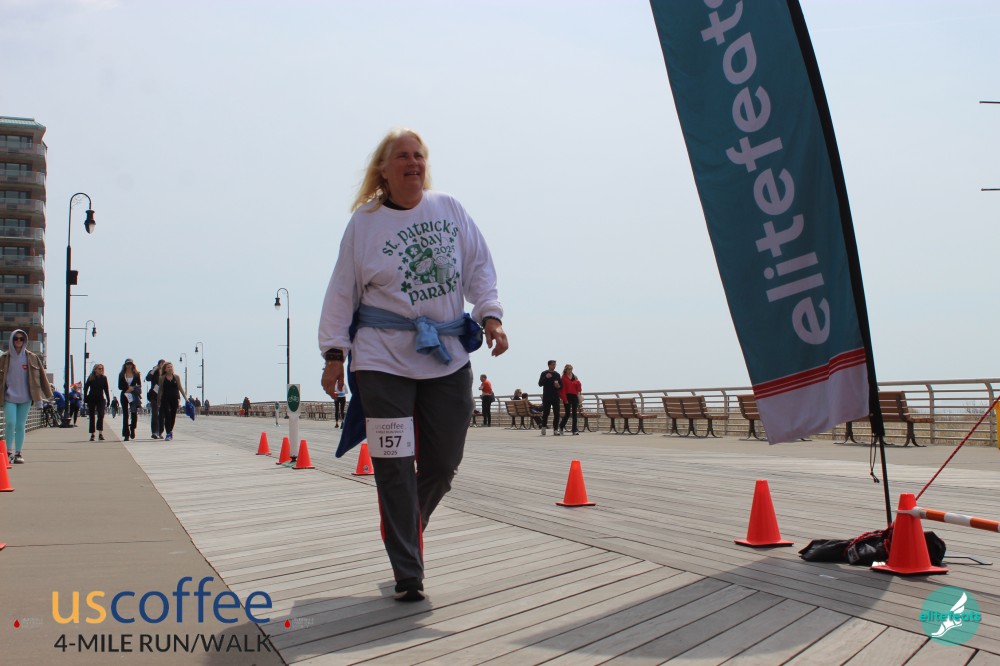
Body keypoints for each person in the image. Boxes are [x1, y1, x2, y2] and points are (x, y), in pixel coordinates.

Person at [319, 127, 508, 602]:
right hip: (381, 361)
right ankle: (408, 570)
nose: (413, 162)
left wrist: (491, 316)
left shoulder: (449, 209)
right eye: (402, 156)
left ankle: (406, 524)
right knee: (395, 467)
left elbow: (479, 268)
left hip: (446, 356)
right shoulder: (364, 224)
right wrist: (334, 354)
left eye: (419, 155)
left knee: (443, 464)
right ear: (383, 169)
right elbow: (342, 290)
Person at [1, 329, 54, 464]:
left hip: (26, 397)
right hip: (9, 396)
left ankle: (18, 453)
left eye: (21, 339)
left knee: (20, 425)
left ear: (25, 341)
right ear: (12, 340)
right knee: (10, 423)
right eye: (16, 338)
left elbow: (41, 377)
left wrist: (45, 396)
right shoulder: (5, 357)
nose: (18, 341)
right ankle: (8, 452)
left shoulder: (31, 357)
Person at [157, 362, 188, 441]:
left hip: (174, 398)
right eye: (168, 367)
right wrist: (158, 401)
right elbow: (160, 390)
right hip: (165, 399)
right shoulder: (162, 378)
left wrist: (186, 399)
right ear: (165, 369)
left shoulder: (176, 377)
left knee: (173, 415)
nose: (170, 368)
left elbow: (180, 388)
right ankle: (168, 433)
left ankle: (170, 430)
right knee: (167, 415)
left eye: (171, 367)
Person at [84, 363, 111, 441]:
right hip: (91, 398)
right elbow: (85, 388)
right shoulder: (91, 377)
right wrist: (85, 397)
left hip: (100, 398)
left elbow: (106, 389)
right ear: (95, 369)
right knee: (92, 416)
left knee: (101, 415)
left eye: (102, 369)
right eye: (99, 369)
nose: (101, 370)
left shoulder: (104, 378)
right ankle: (92, 434)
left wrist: (108, 399)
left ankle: (100, 433)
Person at [118, 359, 142, 442]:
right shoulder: (122, 374)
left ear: (133, 365)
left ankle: (132, 428)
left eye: (130, 364)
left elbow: (139, 385)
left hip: (133, 395)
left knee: (134, 413)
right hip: (124, 394)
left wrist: (132, 388)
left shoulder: (136, 374)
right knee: (125, 414)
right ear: (125, 365)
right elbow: (119, 386)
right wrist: (127, 388)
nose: (129, 366)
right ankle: (126, 434)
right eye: (127, 364)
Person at [537, 360, 562, 436]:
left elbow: (561, 386)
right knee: (546, 413)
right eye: (553, 364)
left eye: (555, 364)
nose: (554, 366)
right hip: (547, 396)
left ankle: (555, 430)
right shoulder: (544, 373)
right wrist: (546, 377)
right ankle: (543, 427)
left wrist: (558, 386)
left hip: (555, 397)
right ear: (549, 365)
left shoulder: (557, 374)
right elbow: (540, 384)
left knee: (556, 413)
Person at [558, 363, 583, 435]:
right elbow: (562, 390)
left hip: (574, 396)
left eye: (571, 369)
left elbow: (579, 389)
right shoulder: (563, 378)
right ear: (565, 370)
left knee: (575, 413)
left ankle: (574, 429)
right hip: (567, 396)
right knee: (568, 413)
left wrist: (578, 382)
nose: (570, 370)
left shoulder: (575, 377)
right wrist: (564, 399)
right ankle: (561, 426)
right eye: (568, 369)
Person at [146, 359, 165, 439]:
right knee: (154, 414)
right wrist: (154, 370)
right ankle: (154, 432)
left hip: (163, 396)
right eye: (161, 364)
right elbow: (148, 378)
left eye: (163, 364)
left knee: (162, 415)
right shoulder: (154, 372)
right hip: (154, 395)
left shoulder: (166, 373)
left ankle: (160, 432)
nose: (162, 365)